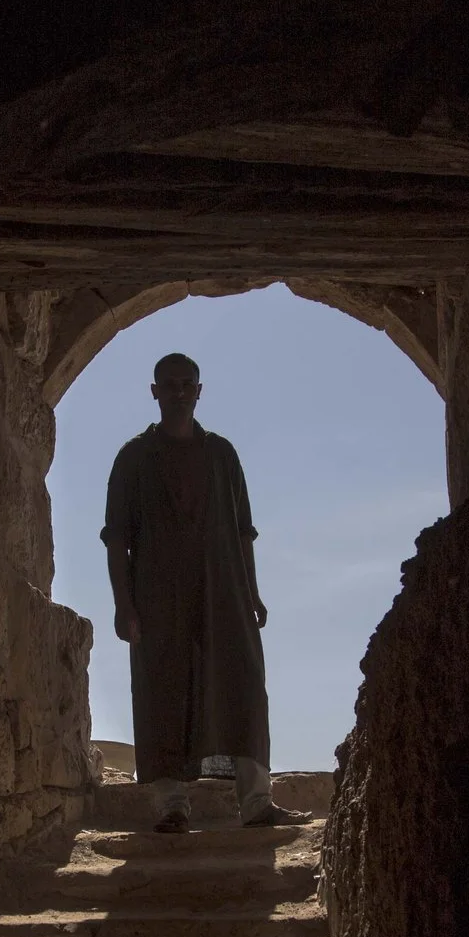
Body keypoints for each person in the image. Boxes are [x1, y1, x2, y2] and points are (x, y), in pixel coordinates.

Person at [102, 352, 313, 833]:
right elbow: (118, 537)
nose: (179, 392)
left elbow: (243, 531)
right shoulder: (133, 458)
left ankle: (257, 802)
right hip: (159, 597)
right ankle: (171, 805)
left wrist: (252, 592)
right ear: (153, 391)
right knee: (163, 690)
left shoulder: (223, 455)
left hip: (225, 591)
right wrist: (123, 604)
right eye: (169, 385)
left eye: (187, 384)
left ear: (200, 390)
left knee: (242, 688)